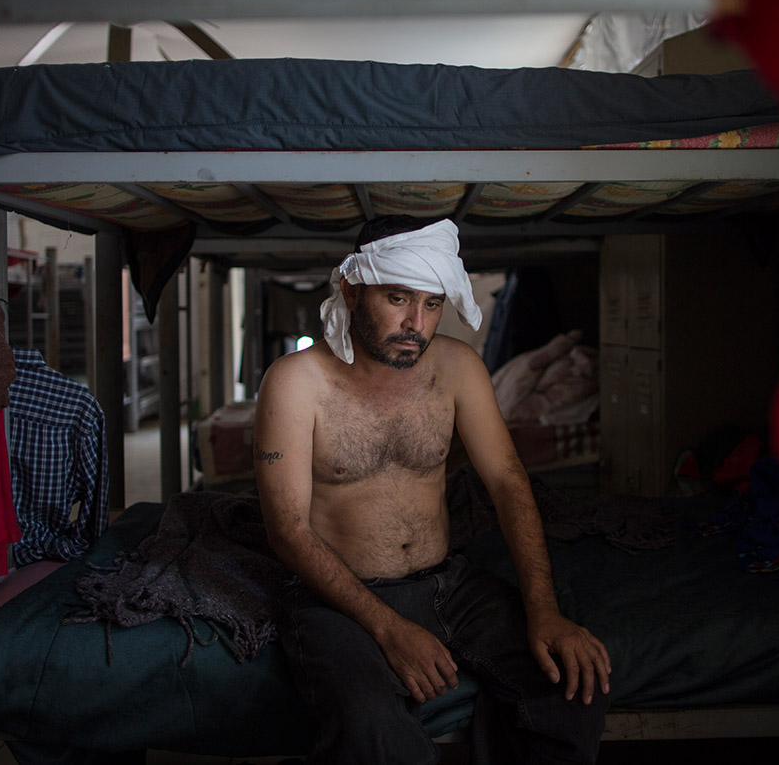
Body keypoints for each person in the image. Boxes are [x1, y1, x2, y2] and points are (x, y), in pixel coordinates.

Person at [253, 215, 611, 765]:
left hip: (449, 586)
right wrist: (390, 629)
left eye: (432, 303)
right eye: (397, 298)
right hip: (340, 601)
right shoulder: (295, 382)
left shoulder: (458, 366)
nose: (415, 324)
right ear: (352, 290)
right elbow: (287, 530)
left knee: (568, 687)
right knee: (371, 724)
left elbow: (508, 483)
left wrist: (543, 610)